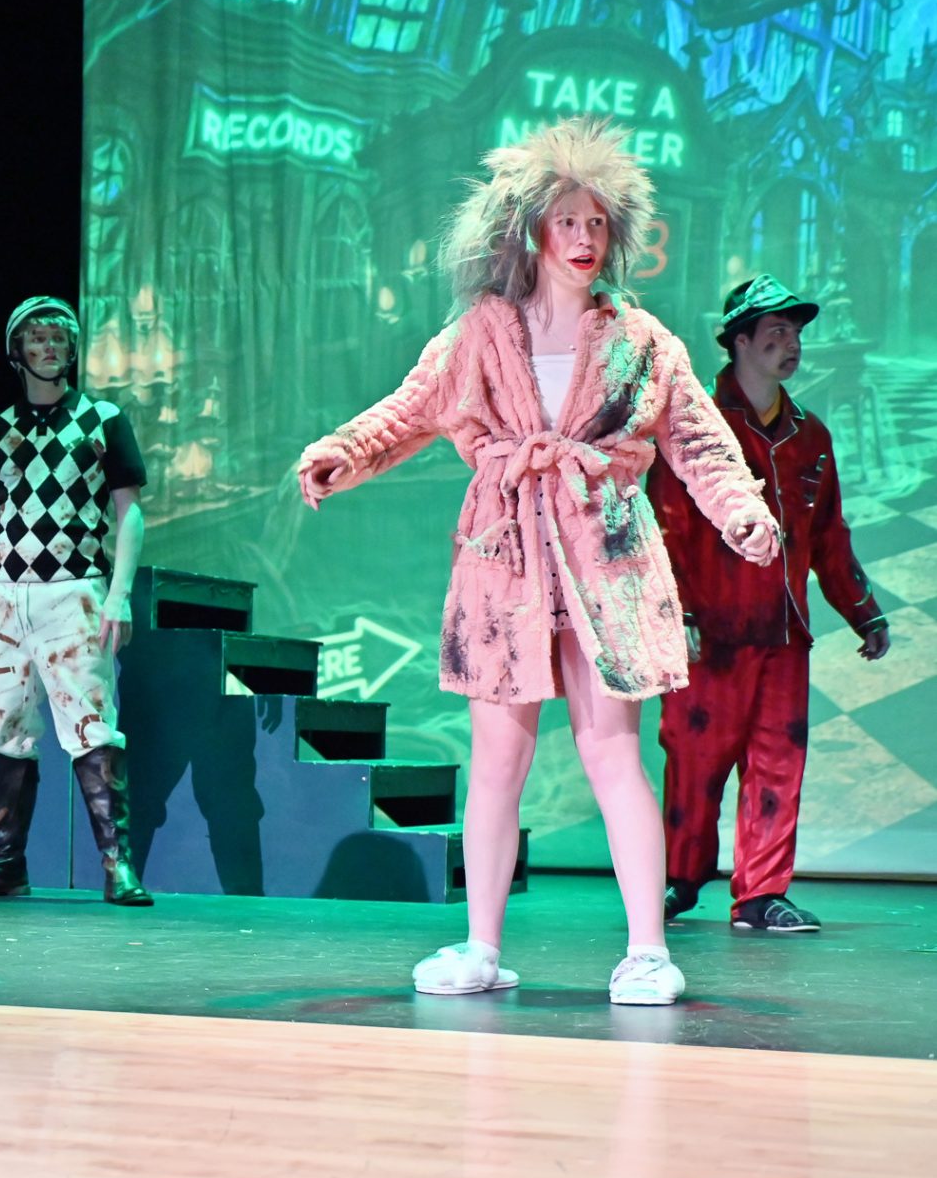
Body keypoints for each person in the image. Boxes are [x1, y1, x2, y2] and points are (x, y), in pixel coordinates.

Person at [294, 118, 779, 1006]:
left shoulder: (641, 339)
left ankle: (646, 951)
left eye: (597, 223)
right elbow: (409, 410)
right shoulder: (481, 331)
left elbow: (700, 443)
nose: (584, 238)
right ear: (530, 230)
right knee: (496, 762)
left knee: (612, 753)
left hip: (607, 558)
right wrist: (343, 453)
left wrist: (743, 512)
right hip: (505, 557)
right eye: (567, 221)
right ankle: (480, 946)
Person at [651, 275, 889, 933]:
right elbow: (666, 527)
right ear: (739, 341)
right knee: (695, 762)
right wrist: (678, 614)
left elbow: (828, 536)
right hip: (711, 632)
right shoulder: (695, 427)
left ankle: (760, 894)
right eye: (777, 333)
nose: (792, 345)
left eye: (796, 333)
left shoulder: (811, 435)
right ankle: (678, 878)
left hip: (784, 633)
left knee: (778, 762)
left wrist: (862, 610)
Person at [0, 296, 152, 904]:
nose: (49, 347)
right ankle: (7, 863)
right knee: (5, 728)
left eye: (59, 337)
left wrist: (119, 595)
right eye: (37, 338)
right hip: (3, 597)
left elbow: (129, 513)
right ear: (18, 351)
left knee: (92, 724)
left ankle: (117, 865)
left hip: (74, 591)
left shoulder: (102, 419)